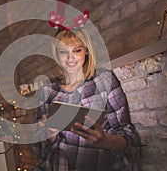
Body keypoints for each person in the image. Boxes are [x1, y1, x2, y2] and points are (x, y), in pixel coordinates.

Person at [33, 29, 141, 171]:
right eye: (63, 52)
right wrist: (50, 136)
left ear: (86, 51)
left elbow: (129, 139)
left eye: (76, 50)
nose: (70, 58)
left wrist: (107, 141)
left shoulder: (104, 80)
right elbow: (39, 152)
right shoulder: (47, 92)